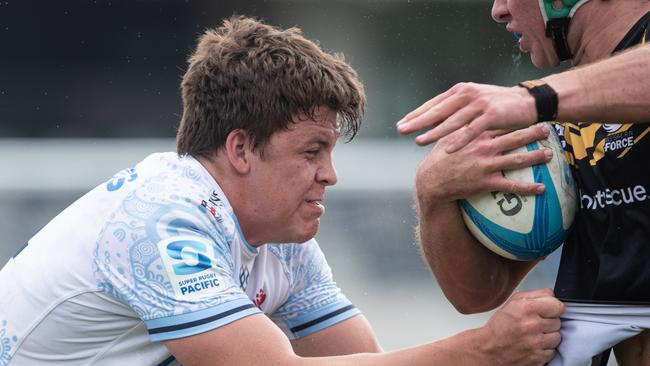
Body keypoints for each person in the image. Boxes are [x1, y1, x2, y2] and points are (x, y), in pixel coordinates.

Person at [0, 15, 563, 366]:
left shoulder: (282, 240)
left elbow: (363, 362)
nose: (331, 175)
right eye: (312, 151)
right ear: (240, 149)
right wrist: (482, 350)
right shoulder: (160, 219)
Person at [397, 0, 650, 365]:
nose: (498, 11)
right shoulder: (552, 118)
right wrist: (434, 192)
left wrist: (533, 99)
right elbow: (479, 293)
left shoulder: (544, 101)